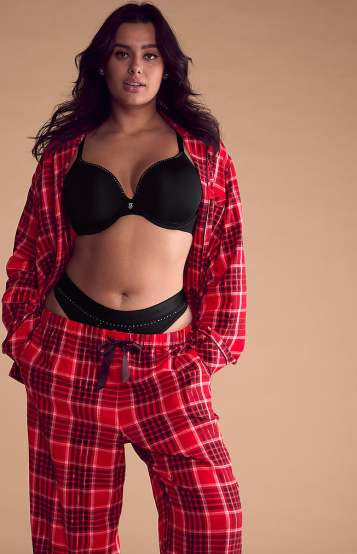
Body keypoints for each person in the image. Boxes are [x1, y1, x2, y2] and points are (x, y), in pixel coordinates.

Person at [1, 3, 247, 553]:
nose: (136, 67)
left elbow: (226, 256)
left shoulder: (205, 155)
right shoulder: (65, 155)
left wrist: (204, 357)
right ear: (102, 64)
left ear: (167, 67)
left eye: (150, 55)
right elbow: (31, 250)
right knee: (74, 541)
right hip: (69, 355)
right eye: (122, 53)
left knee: (213, 516)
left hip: (168, 363)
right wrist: (27, 337)